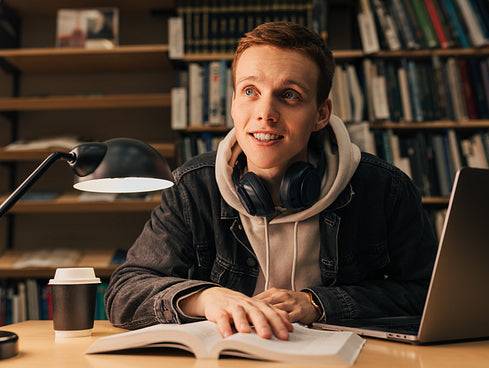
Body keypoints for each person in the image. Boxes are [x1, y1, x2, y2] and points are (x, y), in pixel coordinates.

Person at [105, 22, 437, 341]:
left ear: (321, 114)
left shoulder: (384, 188)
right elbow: (124, 292)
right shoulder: (194, 186)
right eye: (250, 91)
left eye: (289, 95)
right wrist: (208, 299)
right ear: (233, 103)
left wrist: (318, 304)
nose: (266, 113)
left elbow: (428, 293)